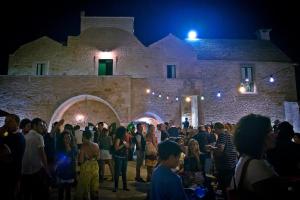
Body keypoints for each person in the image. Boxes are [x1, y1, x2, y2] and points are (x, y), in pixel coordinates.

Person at [231, 114, 296, 199]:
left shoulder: (246, 158)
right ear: (258, 136)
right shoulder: (255, 165)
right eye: (271, 131)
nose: (275, 135)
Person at [22, 118, 50, 200]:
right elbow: (42, 154)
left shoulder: (25, 136)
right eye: (40, 125)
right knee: (38, 193)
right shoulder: (39, 137)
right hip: (36, 170)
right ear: (34, 126)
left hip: (25, 171)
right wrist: (47, 169)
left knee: (27, 193)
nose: (42, 127)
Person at [0, 113, 25, 200]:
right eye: (5, 121)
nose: (6, 123)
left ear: (17, 123)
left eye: (9, 121)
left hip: (11, 173)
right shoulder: (8, 133)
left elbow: (4, 153)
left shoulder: (18, 137)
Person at [75, 128, 100, 200]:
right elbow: (98, 157)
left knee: (84, 187)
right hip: (95, 166)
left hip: (86, 167)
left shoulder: (83, 146)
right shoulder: (96, 145)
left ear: (84, 136)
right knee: (94, 186)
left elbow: (81, 160)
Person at [56, 131, 77, 200]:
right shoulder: (60, 149)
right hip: (62, 173)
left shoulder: (73, 148)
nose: (67, 139)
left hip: (70, 173)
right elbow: (58, 162)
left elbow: (74, 161)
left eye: (69, 137)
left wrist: (75, 172)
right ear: (62, 139)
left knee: (68, 192)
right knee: (60, 192)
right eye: (65, 137)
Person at [112, 126, 130, 192]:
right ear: (122, 132)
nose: (126, 132)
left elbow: (128, 146)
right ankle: (116, 187)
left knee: (124, 172)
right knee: (117, 172)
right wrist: (123, 145)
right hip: (119, 157)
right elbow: (116, 148)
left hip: (124, 157)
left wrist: (126, 144)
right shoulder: (118, 138)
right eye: (125, 131)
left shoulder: (124, 138)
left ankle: (125, 186)